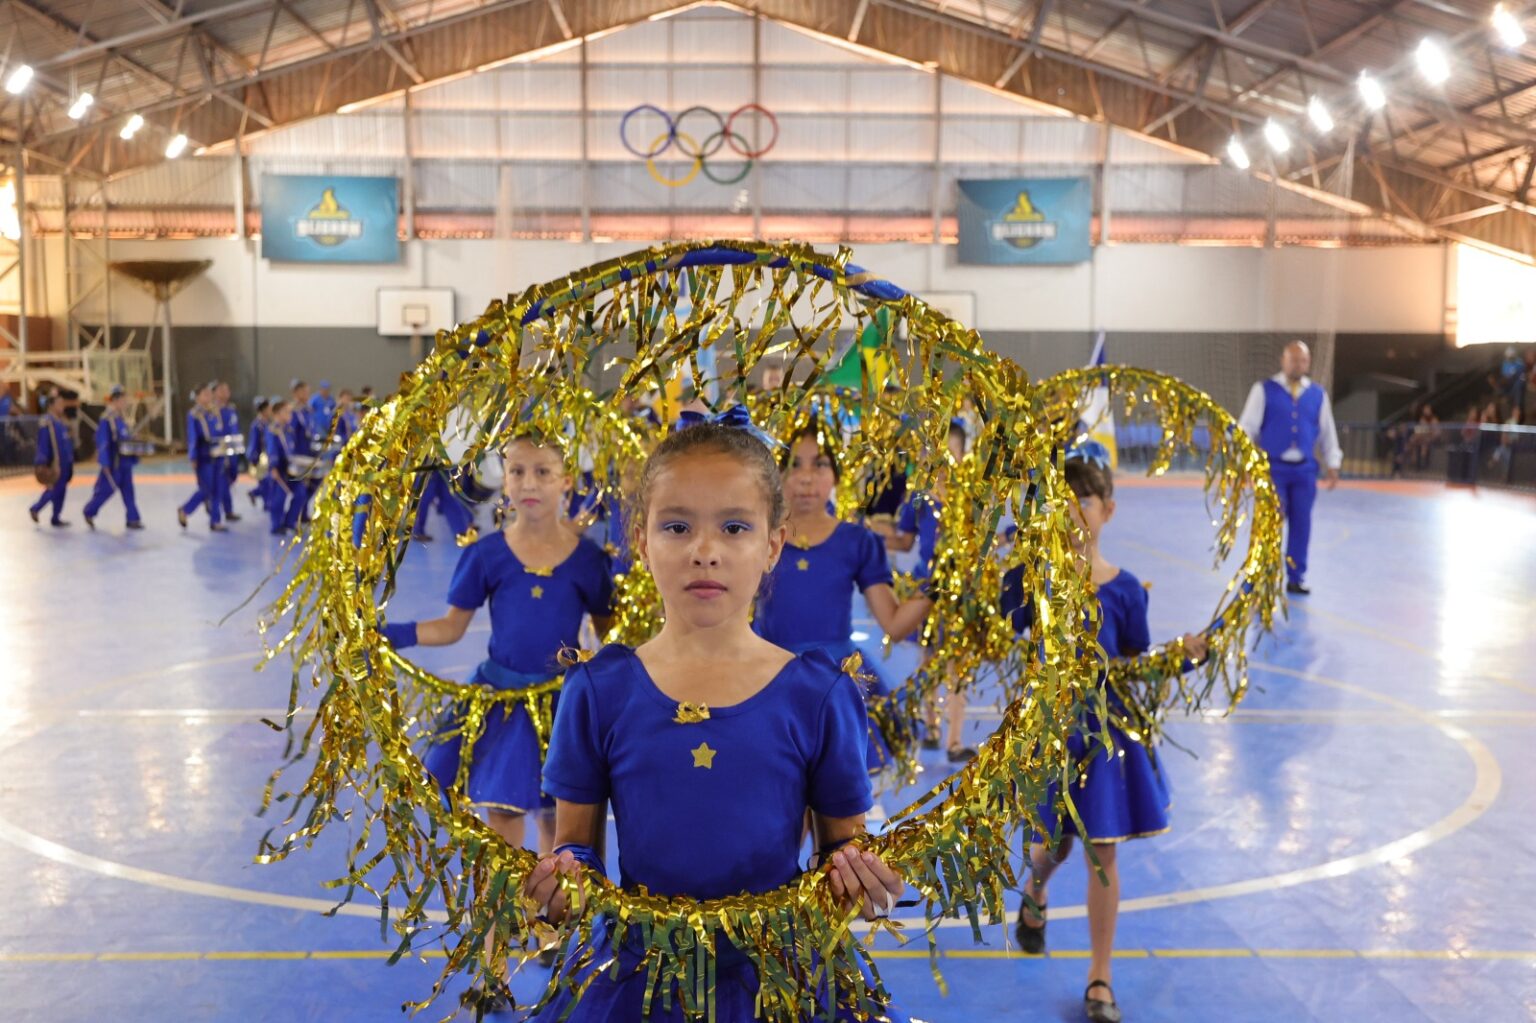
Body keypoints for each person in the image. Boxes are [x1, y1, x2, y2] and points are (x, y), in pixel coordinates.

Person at [522, 410, 908, 1022]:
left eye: (734, 527)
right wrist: (561, 886)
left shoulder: (819, 695)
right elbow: (578, 853)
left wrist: (861, 878)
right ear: (642, 542)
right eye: (677, 527)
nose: (705, 551)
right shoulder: (598, 690)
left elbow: (841, 854)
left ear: (773, 545)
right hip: (639, 982)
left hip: (779, 986)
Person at [1005, 450, 1207, 1023]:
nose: (1074, 513)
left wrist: (1182, 657)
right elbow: (1004, 623)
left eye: (1085, 502)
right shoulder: (1035, 581)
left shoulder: (1126, 591)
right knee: (1052, 847)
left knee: (1102, 852)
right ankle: (1036, 890)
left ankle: (1100, 977)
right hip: (1051, 734)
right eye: (1061, 504)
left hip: (1106, 739)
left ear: (1108, 510)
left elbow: (1135, 664)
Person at [755, 422, 930, 777]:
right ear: (777, 474)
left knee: (839, 800)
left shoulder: (857, 541)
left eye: (820, 464)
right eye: (795, 464)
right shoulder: (753, 536)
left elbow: (894, 624)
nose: (806, 478)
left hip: (835, 686)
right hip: (765, 684)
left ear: (836, 475)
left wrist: (943, 583)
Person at [1237, 341, 1342, 595]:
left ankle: (1296, 577)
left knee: (1301, 525)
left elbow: (1327, 431)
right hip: (1272, 470)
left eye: (1303, 360)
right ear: (1283, 361)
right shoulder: (1263, 390)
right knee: (1269, 524)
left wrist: (1333, 463)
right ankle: (1260, 577)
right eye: (1293, 360)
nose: (1298, 365)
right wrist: (1244, 463)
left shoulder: (1317, 394)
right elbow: (1247, 428)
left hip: (1305, 471)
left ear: (1308, 363)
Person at [82, 385, 144, 531]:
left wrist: (134, 441)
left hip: (125, 462)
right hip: (114, 463)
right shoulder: (107, 419)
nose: (126, 402)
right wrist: (104, 463)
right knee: (106, 490)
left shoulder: (121, 419)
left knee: (128, 491)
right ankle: (89, 511)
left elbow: (123, 437)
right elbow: (103, 442)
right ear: (116, 400)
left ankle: (133, 519)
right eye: (123, 399)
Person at [178, 383, 227, 532]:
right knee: (206, 489)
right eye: (205, 394)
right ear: (197, 397)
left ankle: (215, 521)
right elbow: (192, 437)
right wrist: (193, 457)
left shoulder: (215, 412)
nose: (209, 397)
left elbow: (220, 432)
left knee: (218, 488)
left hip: (218, 454)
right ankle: (185, 510)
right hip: (203, 456)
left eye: (209, 393)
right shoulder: (194, 415)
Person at [29, 389, 77, 528]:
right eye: (59, 404)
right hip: (55, 464)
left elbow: (66, 443)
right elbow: (43, 444)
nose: (62, 406)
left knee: (61, 491)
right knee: (54, 489)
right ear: (51, 405)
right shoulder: (47, 423)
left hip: (65, 463)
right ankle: (36, 508)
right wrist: (42, 463)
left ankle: (56, 517)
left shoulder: (60, 422)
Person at [264, 400, 308, 536]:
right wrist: (273, 467)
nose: (290, 414)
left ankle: (290, 522)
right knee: (278, 498)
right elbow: (271, 449)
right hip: (279, 468)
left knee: (301, 493)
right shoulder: (273, 431)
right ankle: (276, 525)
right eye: (286, 412)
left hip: (292, 468)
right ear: (277, 414)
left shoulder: (289, 430)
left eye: (290, 412)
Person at [214, 381, 242, 523]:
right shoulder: (213, 411)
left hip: (234, 448)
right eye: (222, 390)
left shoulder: (231, 409)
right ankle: (227, 510)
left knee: (232, 476)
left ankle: (226, 507)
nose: (225, 393)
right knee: (222, 480)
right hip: (221, 449)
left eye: (227, 390)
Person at [247, 398, 273, 509]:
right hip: (260, 457)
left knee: (268, 482)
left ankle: (256, 495)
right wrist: (254, 457)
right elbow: (254, 442)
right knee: (265, 481)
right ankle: (266, 502)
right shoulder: (257, 425)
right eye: (268, 408)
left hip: (269, 455)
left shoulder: (269, 423)